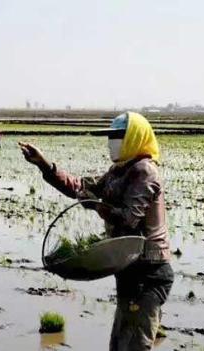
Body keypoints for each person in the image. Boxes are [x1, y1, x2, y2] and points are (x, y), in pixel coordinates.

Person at [19, 112, 173, 351]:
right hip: (129, 268)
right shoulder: (119, 170)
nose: (112, 141)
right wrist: (45, 165)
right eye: (111, 136)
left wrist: (97, 205)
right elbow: (80, 187)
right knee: (119, 344)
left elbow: (129, 219)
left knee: (135, 345)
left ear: (135, 137)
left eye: (118, 136)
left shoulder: (144, 171)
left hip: (149, 272)